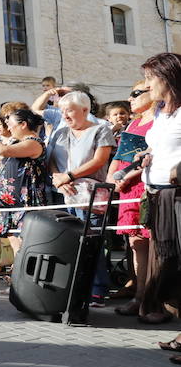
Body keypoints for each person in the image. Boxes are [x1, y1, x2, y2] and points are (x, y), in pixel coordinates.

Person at [48, 91, 116, 307]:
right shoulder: (60, 134)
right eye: (62, 111)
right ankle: (75, 287)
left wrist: (70, 176)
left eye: (69, 110)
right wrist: (59, 177)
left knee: (92, 242)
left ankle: (97, 289)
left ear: (85, 110)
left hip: (91, 196)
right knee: (71, 243)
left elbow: (99, 160)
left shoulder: (100, 130)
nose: (64, 115)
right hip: (66, 195)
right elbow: (51, 160)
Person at [137, 53, 181, 326]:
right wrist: (146, 156)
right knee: (164, 259)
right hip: (156, 193)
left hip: (176, 196)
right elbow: (159, 145)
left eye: (150, 78)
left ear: (168, 78)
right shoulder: (160, 112)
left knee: (174, 262)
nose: (146, 85)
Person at [110, 81, 156, 317]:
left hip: (145, 186)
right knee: (135, 243)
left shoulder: (159, 120)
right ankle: (138, 294)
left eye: (136, 93)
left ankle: (148, 297)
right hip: (127, 189)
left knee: (152, 245)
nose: (130, 98)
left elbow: (155, 154)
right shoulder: (134, 123)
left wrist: (127, 177)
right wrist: (113, 180)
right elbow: (120, 157)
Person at [0, 109, 47, 255]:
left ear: (23, 124)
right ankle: (16, 269)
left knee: (24, 237)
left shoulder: (33, 143)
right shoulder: (16, 142)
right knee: (11, 234)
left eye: (11, 124)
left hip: (25, 200)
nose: (9, 128)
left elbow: (2, 150)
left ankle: (23, 271)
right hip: (9, 202)